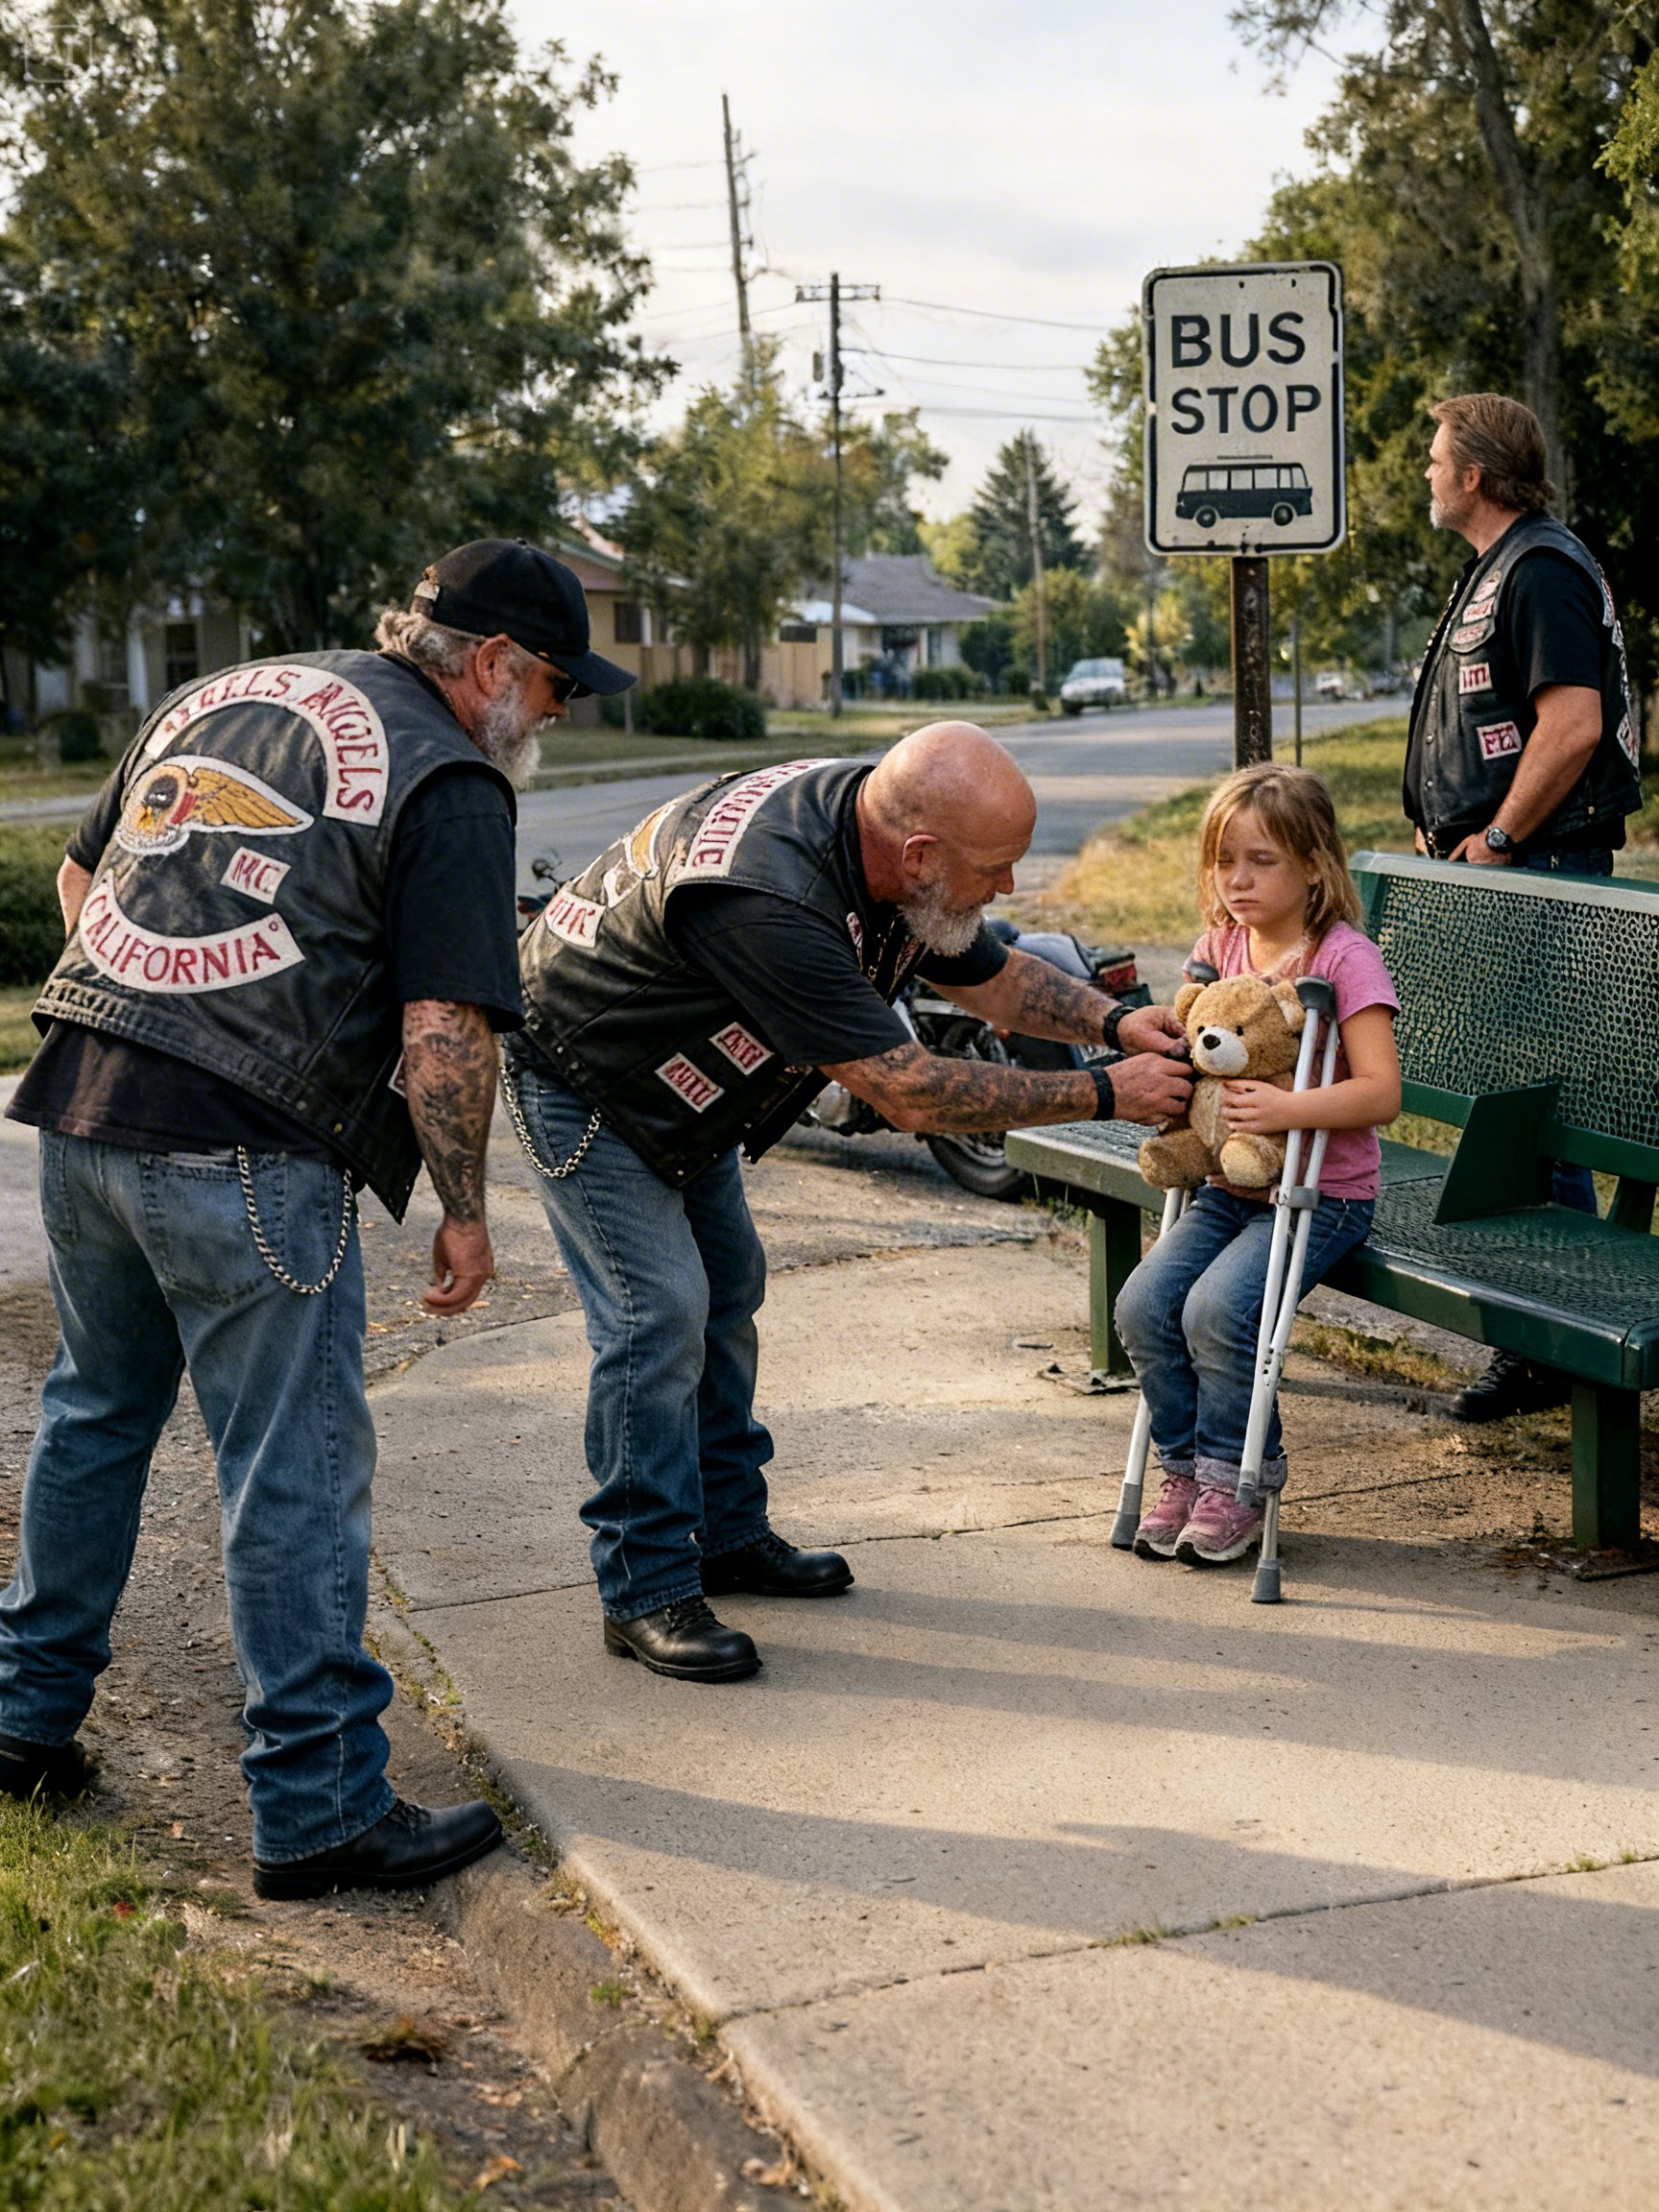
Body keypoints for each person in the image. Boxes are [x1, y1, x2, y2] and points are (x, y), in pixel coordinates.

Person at [0, 539, 634, 1897]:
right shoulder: (454, 778)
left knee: (94, 1415)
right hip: (245, 1149)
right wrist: (465, 1211)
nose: (561, 718)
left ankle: (19, 1725)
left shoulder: (222, 692)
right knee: (289, 1471)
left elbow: (82, 886)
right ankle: (321, 1806)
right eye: (561, 688)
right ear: (492, 665)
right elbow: (445, 1026)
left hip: (85, 1105)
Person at [504, 723, 1194, 1682]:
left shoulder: (886, 841)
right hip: (588, 1077)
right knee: (658, 1315)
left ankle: (728, 1534)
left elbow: (989, 974)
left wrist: (1114, 1020)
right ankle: (646, 1586)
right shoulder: (773, 899)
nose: (1005, 890)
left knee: (728, 1288)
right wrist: (1108, 1091)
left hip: (685, 1081)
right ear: (921, 856)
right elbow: (907, 1090)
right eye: (995, 870)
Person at [1404, 393, 1643, 1421]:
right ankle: (1536, 1341)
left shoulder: (1539, 568)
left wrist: (1498, 839)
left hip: (1541, 877)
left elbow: (1574, 725)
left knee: (1538, 1111)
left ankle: (1559, 1347)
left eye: (1435, 456)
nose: (1424, 470)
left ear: (1477, 475)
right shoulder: (1500, 567)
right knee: (1521, 1113)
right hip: (1508, 880)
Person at [1117, 763, 1401, 1567]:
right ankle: (1185, 1470)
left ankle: (1239, 1479)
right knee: (1143, 1306)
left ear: (1315, 865)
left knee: (1217, 1311)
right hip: (1226, 1187)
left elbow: (1381, 1092)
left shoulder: (1344, 960)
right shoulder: (1220, 947)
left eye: (1262, 861)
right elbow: (1199, 1043)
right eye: (1223, 860)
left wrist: (1285, 1110)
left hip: (1321, 1195)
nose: (1237, 879)